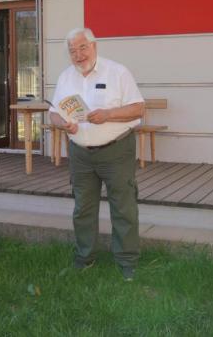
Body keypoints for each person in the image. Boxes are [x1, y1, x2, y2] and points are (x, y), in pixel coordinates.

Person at [49, 28, 145, 281]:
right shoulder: (66, 77)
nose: (78, 55)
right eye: (72, 51)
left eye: (82, 48)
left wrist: (108, 114)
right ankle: (84, 258)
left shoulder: (117, 72)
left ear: (94, 46)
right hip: (80, 154)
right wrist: (62, 124)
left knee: (123, 207)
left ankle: (127, 262)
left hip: (116, 151)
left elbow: (138, 109)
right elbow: (53, 112)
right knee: (83, 208)